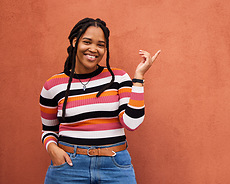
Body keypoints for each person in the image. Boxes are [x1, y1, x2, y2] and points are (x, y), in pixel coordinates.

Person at [39, 18, 161, 184]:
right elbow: (48, 130)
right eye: (87, 42)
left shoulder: (118, 78)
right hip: (69, 166)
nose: (93, 49)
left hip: (115, 166)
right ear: (75, 42)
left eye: (100, 45)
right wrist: (52, 149)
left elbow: (132, 124)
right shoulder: (53, 85)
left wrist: (139, 78)